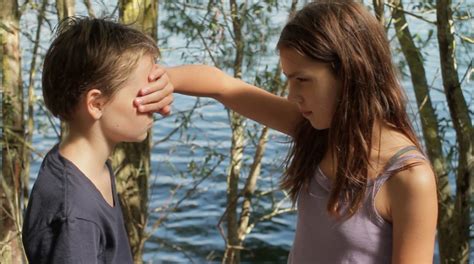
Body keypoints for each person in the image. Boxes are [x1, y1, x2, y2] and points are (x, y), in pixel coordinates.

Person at [142, 0, 438, 263]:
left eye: (302, 80)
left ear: (349, 72)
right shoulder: (318, 130)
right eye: (288, 79)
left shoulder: (408, 178)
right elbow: (223, 86)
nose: (292, 95)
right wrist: (166, 78)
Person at [22, 17, 173, 263]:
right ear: (96, 104)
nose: (156, 105)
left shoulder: (91, 168)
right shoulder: (74, 216)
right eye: (145, 93)